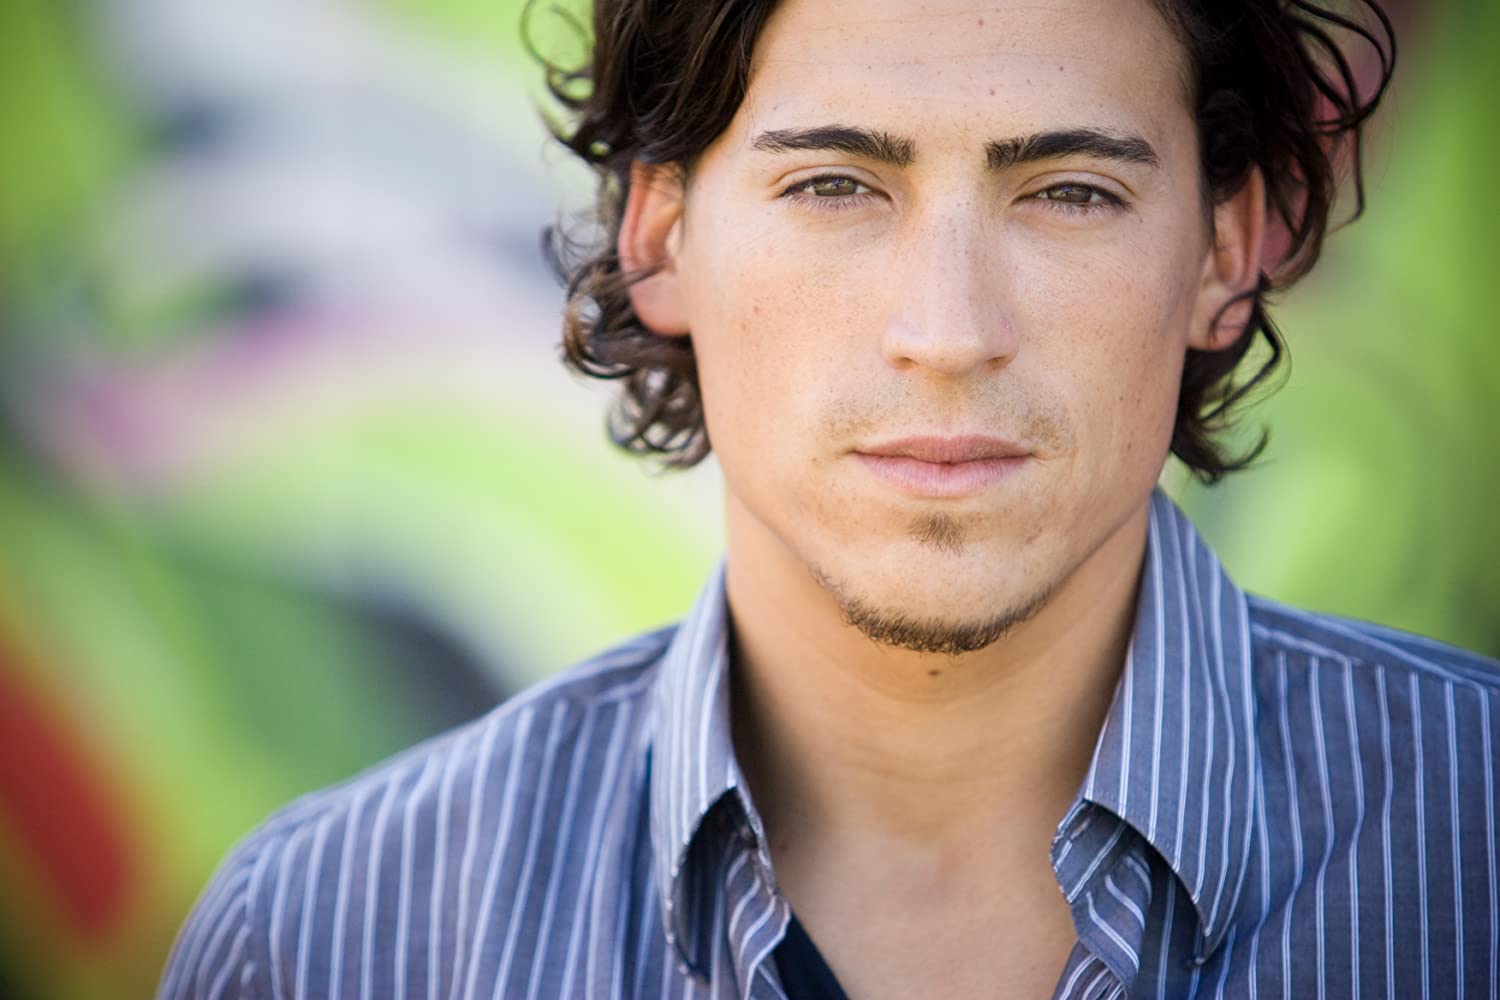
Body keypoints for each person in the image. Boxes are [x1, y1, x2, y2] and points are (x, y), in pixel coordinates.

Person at [159, 0, 1500, 997]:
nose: (950, 331)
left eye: (1071, 193)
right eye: (837, 185)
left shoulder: (1477, 830)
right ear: (659, 237)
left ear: (1226, 248)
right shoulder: (328, 937)